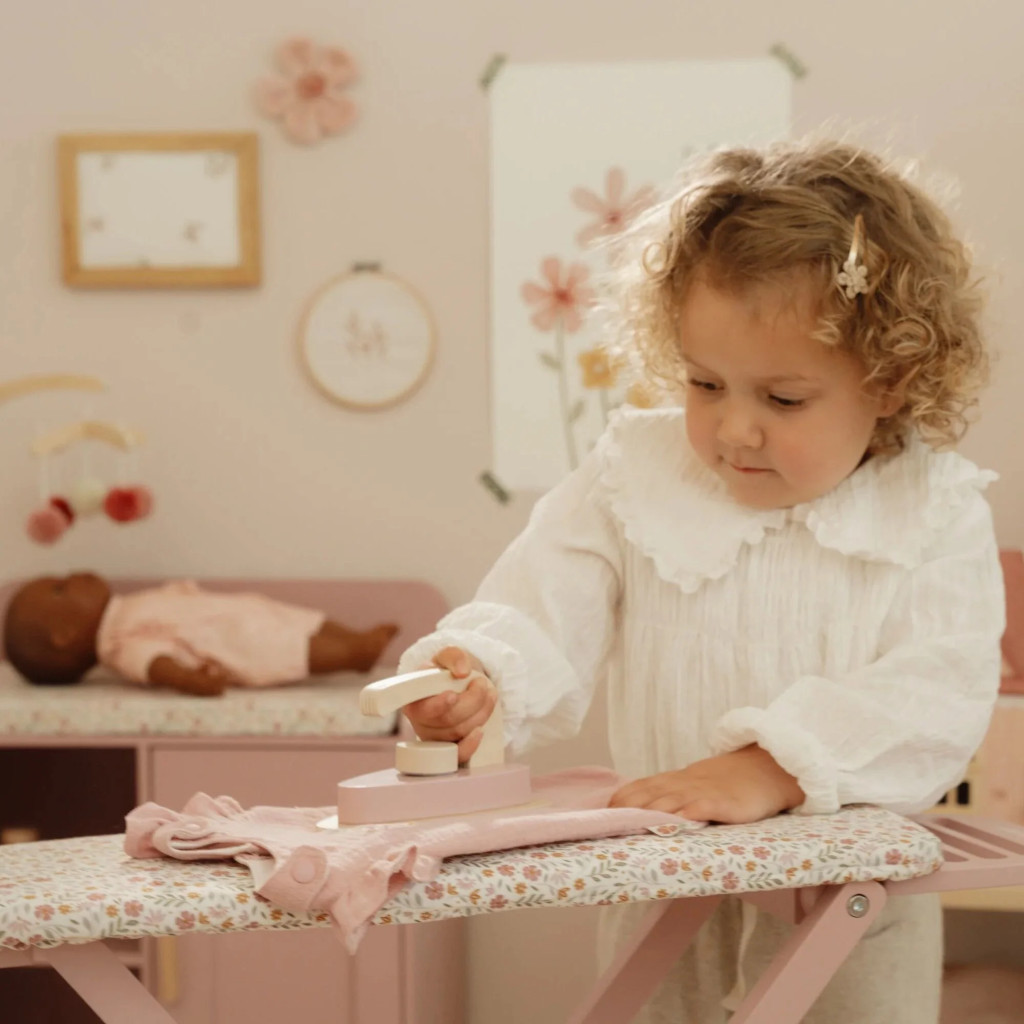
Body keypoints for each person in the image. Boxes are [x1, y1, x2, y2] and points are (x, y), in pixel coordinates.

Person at [396, 140, 1005, 1022]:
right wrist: (478, 682)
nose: (734, 430)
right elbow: (541, 598)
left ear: (891, 381)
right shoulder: (634, 475)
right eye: (705, 383)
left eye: (783, 399)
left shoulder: (934, 509)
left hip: (849, 903)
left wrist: (773, 766)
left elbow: (938, 692)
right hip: (665, 876)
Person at [3, 573, 398, 696]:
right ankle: (354, 654)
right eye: (60, 589)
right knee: (290, 646)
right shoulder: (119, 644)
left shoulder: (121, 610)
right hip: (231, 641)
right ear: (64, 634)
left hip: (234, 614)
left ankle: (355, 641)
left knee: (300, 621)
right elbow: (157, 664)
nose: (73, 576)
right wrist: (190, 680)